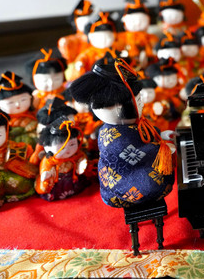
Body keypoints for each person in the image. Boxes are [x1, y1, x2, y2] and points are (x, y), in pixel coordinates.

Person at [68, 56, 175, 209]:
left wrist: (161, 135)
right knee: (150, 183)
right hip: (123, 183)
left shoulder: (133, 123)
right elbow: (138, 153)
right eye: (138, 101)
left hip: (135, 170)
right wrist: (161, 148)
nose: (142, 104)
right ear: (119, 108)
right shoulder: (113, 137)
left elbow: (145, 134)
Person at [35, 117, 88, 201]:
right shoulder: (49, 160)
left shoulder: (76, 154)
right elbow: (45, 167)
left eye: (72, 144)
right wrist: (46, 173)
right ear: (47, 147)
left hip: (72, 176)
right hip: (58, 180)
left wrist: (81, 163)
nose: (68, 150)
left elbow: (82, 157)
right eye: (62, 148)